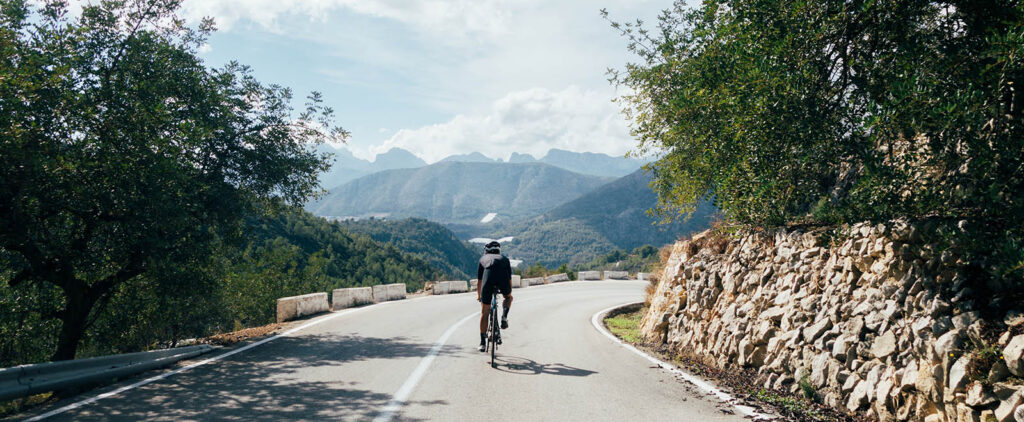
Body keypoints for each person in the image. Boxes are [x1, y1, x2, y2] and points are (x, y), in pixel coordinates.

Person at [477, 240, 513, 352]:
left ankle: (482, 342)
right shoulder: (505, 259)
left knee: (485, 311)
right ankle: (504, 316)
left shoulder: (483, 259)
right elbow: (509, 280)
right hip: (502, 279)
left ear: (486, 251)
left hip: (488, 281)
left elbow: (479, 281)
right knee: (508, 298)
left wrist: (479, 296)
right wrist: (508, 294)